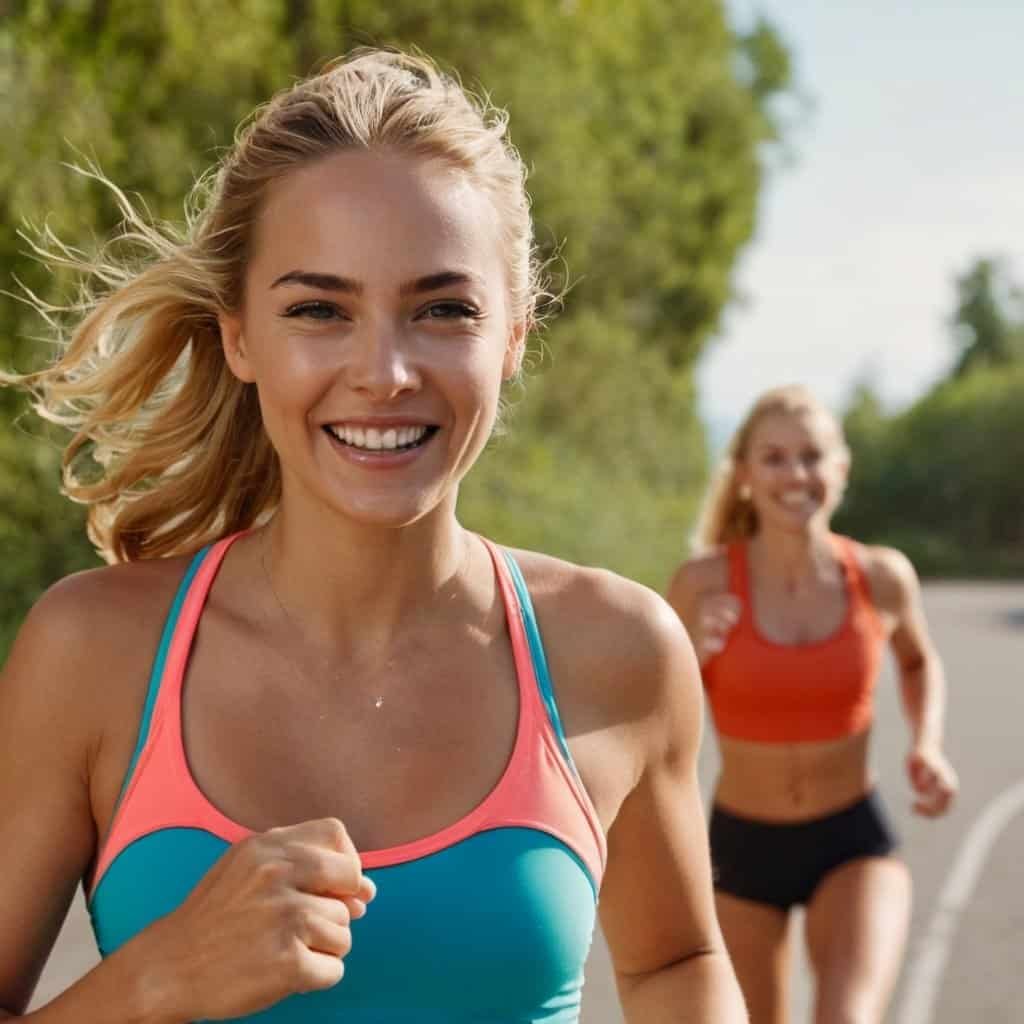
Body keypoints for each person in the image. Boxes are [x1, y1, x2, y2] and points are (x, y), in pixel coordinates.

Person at [0, 49, 747, 1023]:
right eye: (319, 309)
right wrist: (152, 981)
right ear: (238, 337)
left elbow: (675, 960)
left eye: (443, 309)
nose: (385, 370)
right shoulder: (92, 653)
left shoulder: (621, 653)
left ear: (512, 335)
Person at [666, 384, 958, 1024]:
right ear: (743, 476)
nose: (795, 474)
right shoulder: (702, 583)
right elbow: (655, 710)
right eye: (773, 458)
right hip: (740, 847)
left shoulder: (880, 576)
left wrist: (927, 743)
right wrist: (693, 651)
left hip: (850, 839)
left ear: (841, 470)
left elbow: (917, 660)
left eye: (812, 456)